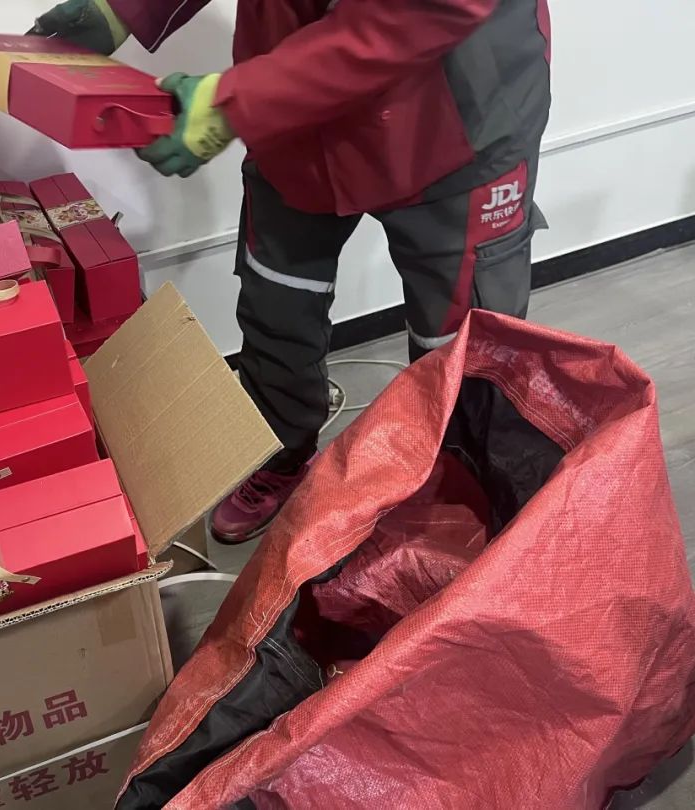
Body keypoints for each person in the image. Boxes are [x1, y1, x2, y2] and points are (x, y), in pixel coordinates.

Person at [30, 0, 552, 544]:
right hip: (297, 112)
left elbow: (414, 14)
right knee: (277, 302)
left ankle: (461, 496)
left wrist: (231, 104)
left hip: (453, 117)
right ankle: (281, 453)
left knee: (463, 344)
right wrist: (123, 10)